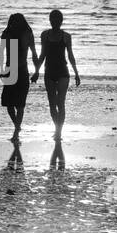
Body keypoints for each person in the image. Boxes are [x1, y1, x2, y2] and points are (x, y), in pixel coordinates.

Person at [31, 9, 80, 142]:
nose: (55, 23)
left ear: (61, 21)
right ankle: (56, 129)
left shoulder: (66, 36)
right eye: (53, 20)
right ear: (50, 21)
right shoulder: (45, 35)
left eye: (57, 21)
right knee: (52, 104)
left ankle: (59, 131)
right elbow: (42, 55)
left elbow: (70, 55)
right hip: (49, 72)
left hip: (63, 72)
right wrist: (36, 72)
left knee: (61, 102)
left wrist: (76, 73)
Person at [0, 13, 38, 142]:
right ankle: (17, 126)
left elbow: (34, 53)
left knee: (20, 105)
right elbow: (2, 52)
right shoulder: (7, 33)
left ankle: (16, 131)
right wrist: (2, 70)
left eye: (16, 22)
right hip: (10, 69)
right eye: (12, 22)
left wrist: (37, 71)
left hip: (22, 70)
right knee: (9, 105)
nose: (13, 25)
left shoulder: (27, 33)